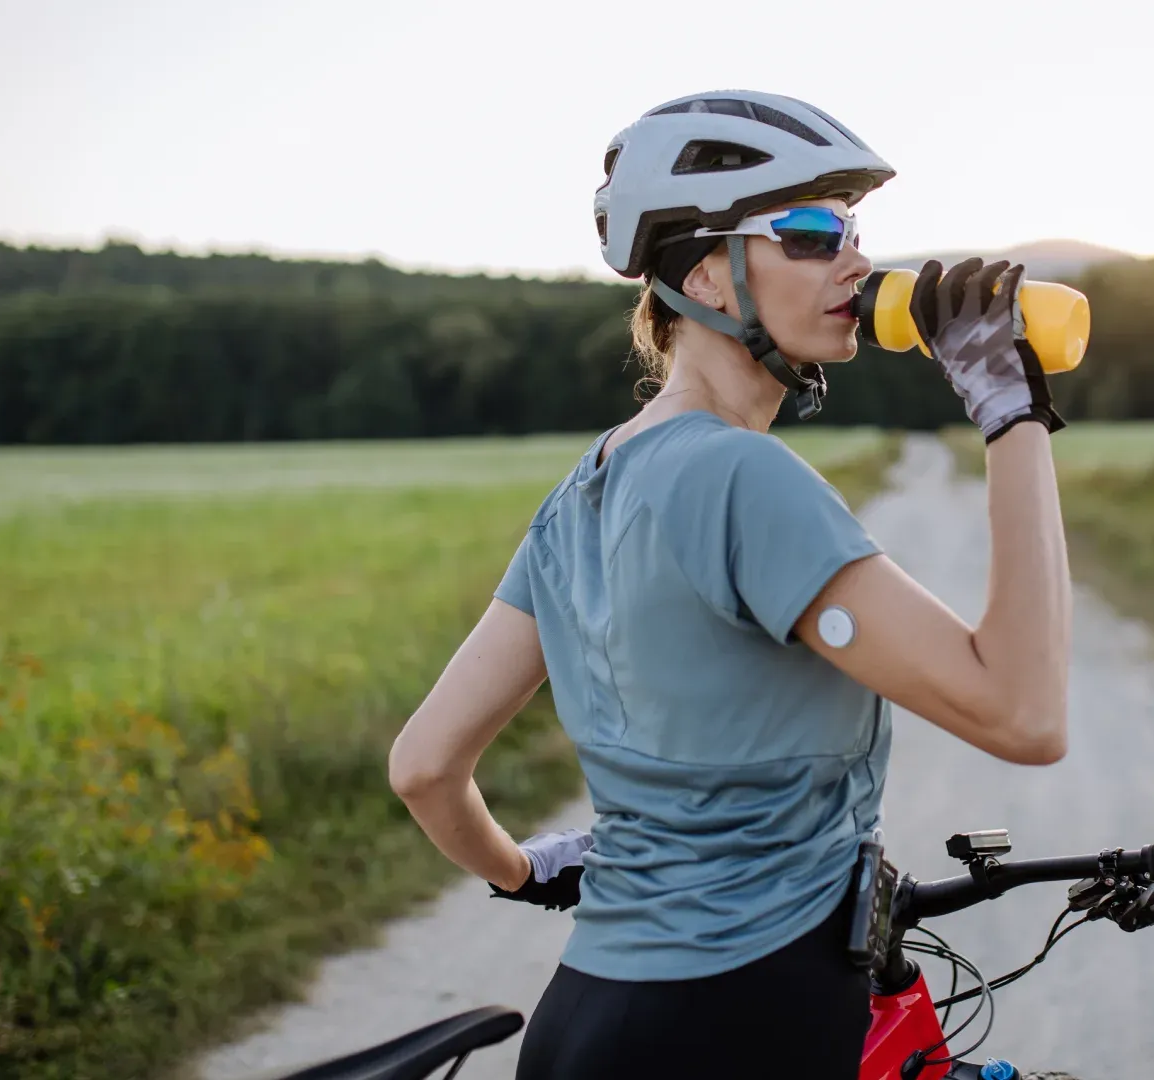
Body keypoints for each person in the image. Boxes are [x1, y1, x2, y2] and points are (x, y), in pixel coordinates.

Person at [387, 90, 1072, 1080]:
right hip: (746, 1018)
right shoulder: (743, 478)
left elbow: (423, 766)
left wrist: (531, 871)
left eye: (852, 229)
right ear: (704, 275)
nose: (852, 259)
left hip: (585, 1024)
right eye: (808, 229)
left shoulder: (579, 496)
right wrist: (1009, 412)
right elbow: (1023, 714)